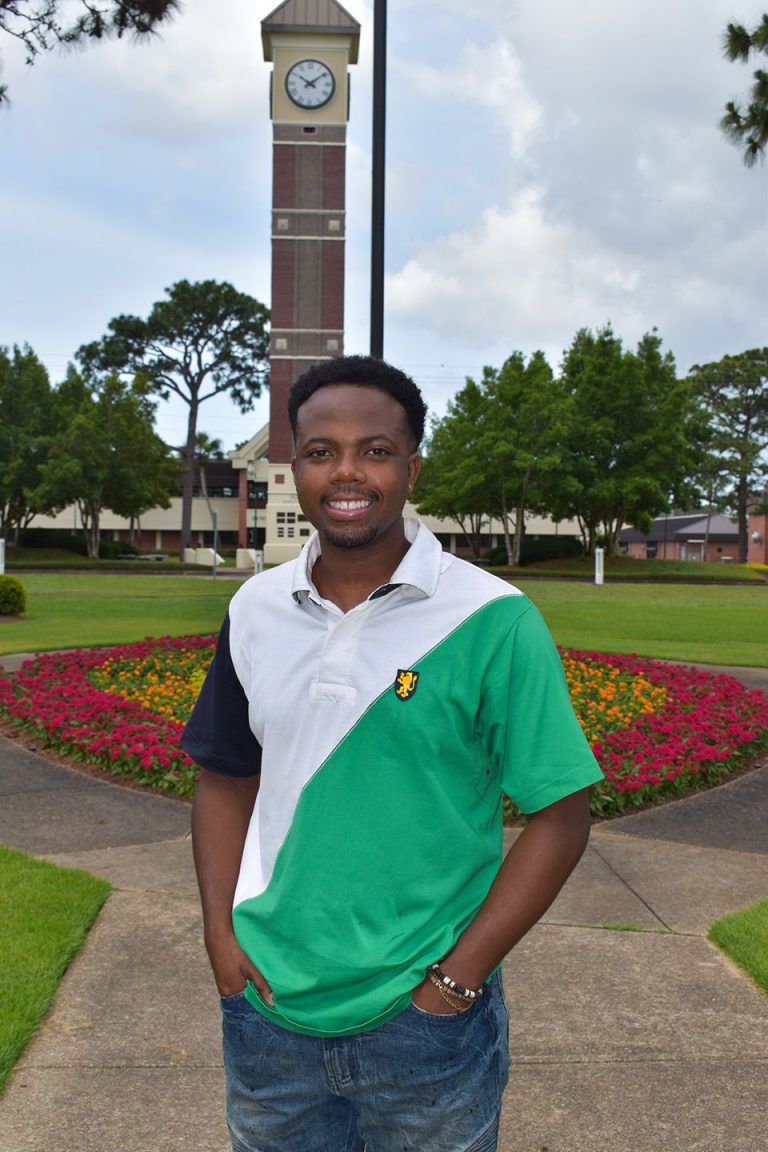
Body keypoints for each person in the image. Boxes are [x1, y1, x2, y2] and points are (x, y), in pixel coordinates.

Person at [182, 354, 603, 1152]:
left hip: (428, 1029)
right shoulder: (255, 608)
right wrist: (219, 938)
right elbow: (226, 779)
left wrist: (455, 981)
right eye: (320, 451)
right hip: (267, 1013)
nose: (347, 472)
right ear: (294, 469)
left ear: (412, 467)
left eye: (374, 450)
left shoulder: (494, 618)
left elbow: (562, 815)